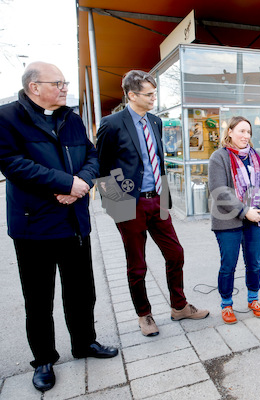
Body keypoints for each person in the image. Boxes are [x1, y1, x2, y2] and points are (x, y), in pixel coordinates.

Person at [0, 62, 118, 392]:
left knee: (82, 292)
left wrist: (82, 181)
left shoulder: (72, 118)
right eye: (58, 82)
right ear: (34, 87)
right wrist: (67, 183)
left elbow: (93, 156)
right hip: (33, 227)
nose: (65, 88)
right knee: (38, 299)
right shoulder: (8, 117)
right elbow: (13, 164)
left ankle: (85, 344)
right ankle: (45, 359)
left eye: (65, 82)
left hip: (74, 223)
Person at [97, 70, 209, 338]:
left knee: (175, 253)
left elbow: (158, 163)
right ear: (132, 95)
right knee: (137, 264)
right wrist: (117, 207)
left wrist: (165, 199)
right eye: (149, 94)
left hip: (157, 201)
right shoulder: (112, 124)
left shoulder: (155, 122)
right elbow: (101, 167)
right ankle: (144, 314)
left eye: (154, 92)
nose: (154, 98)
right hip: (128, 203)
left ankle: (179, 306)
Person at [208, 116, 260, 324]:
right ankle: (226, 304)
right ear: (230, 132)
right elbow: (219, 191)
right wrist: (245, 211)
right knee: (228, 264)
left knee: (253, 263)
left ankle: (253, 299)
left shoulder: (258, 157)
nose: (246, 136)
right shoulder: (219, 157)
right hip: (228, 221)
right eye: (242, 131)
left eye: (249, 132)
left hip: (255, 218)